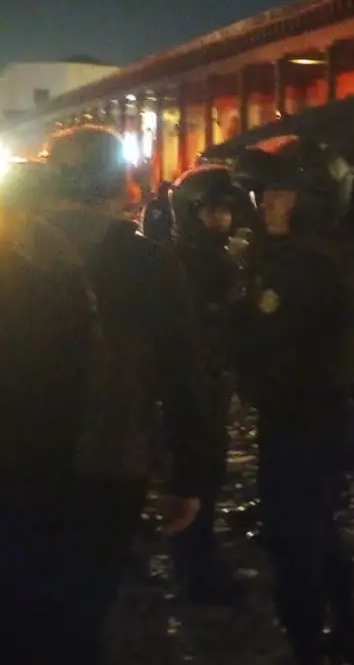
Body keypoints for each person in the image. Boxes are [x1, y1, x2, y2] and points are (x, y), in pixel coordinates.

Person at [0, 126, 213, 663]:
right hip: (107, 460)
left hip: (13, 460)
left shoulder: (8, 249)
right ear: (122, 182)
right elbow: (183, 375)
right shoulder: (148, 261)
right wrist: (190, 475)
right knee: (82, 608)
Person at [232, 138, 354, 665]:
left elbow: (278, 348)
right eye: (265, 192)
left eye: (281, 192)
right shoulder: (313, 254)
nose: (266, 201)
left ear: (312, 197)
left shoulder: (305, 267)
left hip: (305, 420)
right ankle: (352, 634)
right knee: (319, 528)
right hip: (321, 416)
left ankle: (307, 645)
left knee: (292, 540)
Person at [167, 165, 252, 603]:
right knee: (197, 473)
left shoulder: (220, 256)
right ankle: (195, 567)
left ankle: (196, 558)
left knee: (209, 471)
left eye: (225, 210)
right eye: (210, 210)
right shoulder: (184, 261)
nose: (220, 218)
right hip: (194, 385)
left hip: (213, 382)